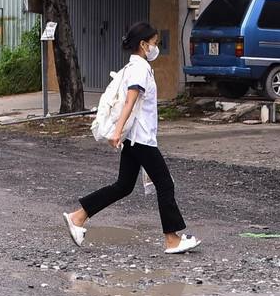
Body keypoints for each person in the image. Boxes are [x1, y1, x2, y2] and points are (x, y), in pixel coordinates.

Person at [64, 22, 199, 255]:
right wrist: (117, 131)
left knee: (123, 186)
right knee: (165, 184)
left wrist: (120, 132)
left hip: (135, 138)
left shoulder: (133, 67)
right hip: (141, 139)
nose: (156, 47)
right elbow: (130, 101)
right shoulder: (139, 69)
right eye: (154, 43)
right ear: (143, 44)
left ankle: (78, 217)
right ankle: (172, 240)